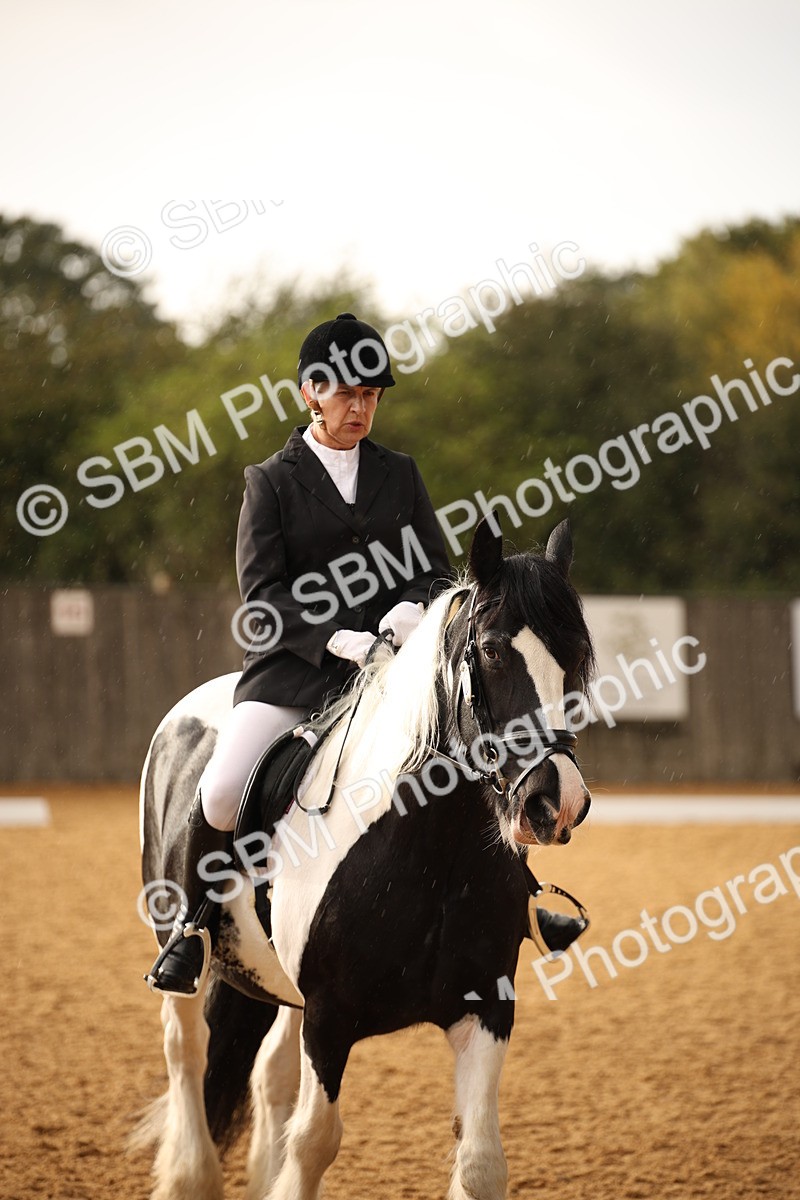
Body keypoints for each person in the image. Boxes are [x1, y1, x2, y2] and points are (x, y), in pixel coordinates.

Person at [149, 313, 452, 995]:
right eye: (347, 393)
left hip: (386, 676)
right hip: (294, 672)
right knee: (223, 790)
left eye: (372, 395)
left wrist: (407, 614)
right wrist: (336, 637)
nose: (361, 408)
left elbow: (434, 570)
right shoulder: (271, 481)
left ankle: (505, 899)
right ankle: (193, 929)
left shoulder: (399, 474)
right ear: (309, 392)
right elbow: (262, 594)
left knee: (460, 756)